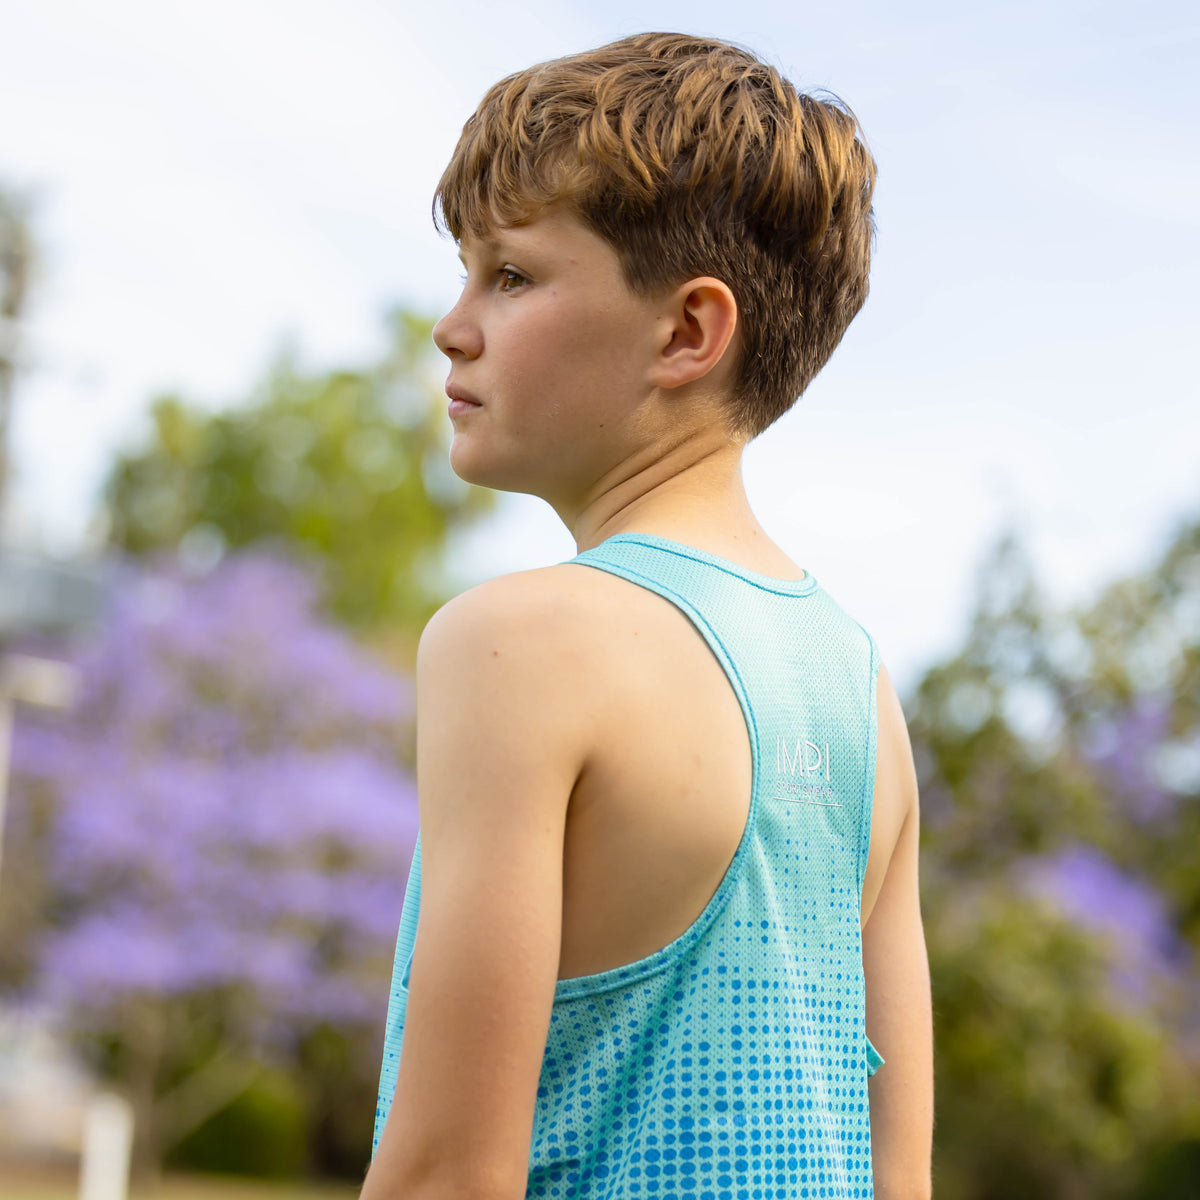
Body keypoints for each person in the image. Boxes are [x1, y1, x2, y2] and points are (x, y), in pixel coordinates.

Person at [361, 30, 933, 1200]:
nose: (451, 323)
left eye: (510, 275)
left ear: (686, 333)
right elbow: (898, 1174)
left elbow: (446, 1174)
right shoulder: (859, 686)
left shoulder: (518, 646)